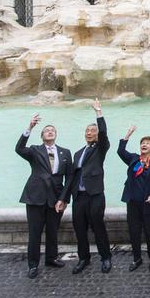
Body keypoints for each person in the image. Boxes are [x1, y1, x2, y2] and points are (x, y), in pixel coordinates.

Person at [15, 114, 73, 279]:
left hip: (55, 197)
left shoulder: (65, 152)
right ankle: (33, 265)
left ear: (56, 135)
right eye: (46, 130)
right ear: (42, 136)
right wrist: (29, 128)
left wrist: (63, 198)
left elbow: (69, 178)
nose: (50, 132)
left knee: (53, 230)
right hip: (35, 196)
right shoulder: (34, 150)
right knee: (35, 232)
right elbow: (19, 149)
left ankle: (51, 258)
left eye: (52, 130)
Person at [64, 98, 113, 274]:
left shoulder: (100, 149)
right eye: (87, 130)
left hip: (95, 194)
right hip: (79, 196)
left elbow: (105, 134)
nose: (89, 132)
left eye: (93, 130)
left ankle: (106, 257)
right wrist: (64, 199)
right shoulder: (78, 153)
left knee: (98, 226)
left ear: (97, 134)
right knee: (80, 228)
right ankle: (84, 258)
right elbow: (71, 178)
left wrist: (98, 112)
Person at [118, 126, 150, 272]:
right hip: (133, 203)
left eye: (147, 143)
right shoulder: (133, 159)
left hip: (148, 204)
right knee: (134, 232)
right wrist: (128, 134)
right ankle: (136, 258)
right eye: (142, 143)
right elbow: (120, 151)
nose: (144, 145)